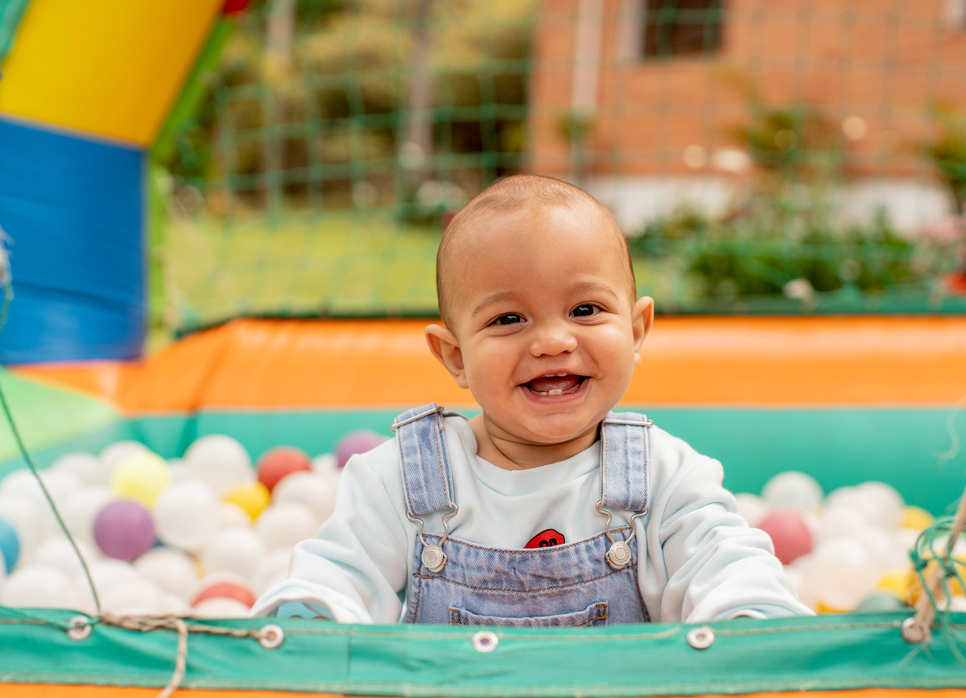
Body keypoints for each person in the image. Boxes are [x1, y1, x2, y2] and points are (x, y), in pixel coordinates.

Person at [251, 175, 811, 625]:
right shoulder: (402, 478)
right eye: (509, 319)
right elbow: (340, 570)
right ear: (455, 356)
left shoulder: (664, 475)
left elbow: (724, 558)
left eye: (585, 310)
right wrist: (314, 613)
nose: (552, 341)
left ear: (636, 329)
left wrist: (747, 614)